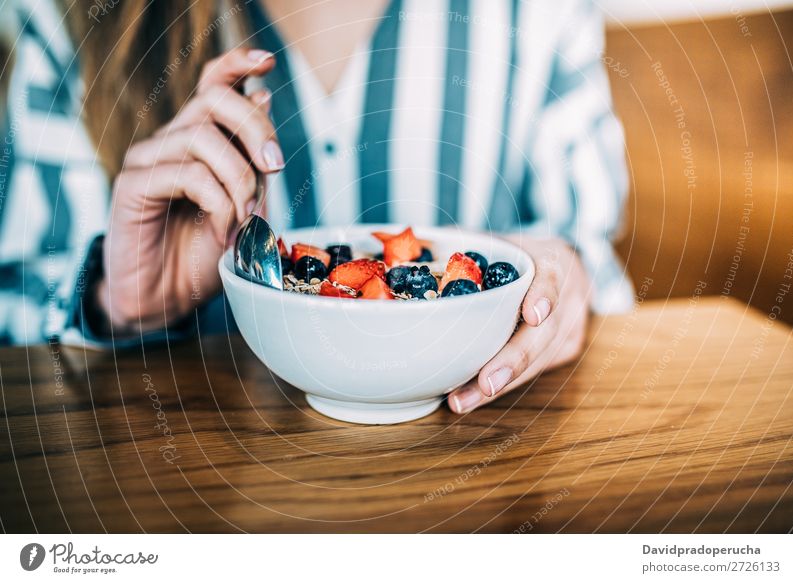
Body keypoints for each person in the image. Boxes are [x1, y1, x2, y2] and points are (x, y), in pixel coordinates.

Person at [0, 0, 632, 413]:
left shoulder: (541, 12)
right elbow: (18, 324)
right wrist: (114, 299)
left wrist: (561, 280)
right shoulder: (70, 21)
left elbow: (590, 268)